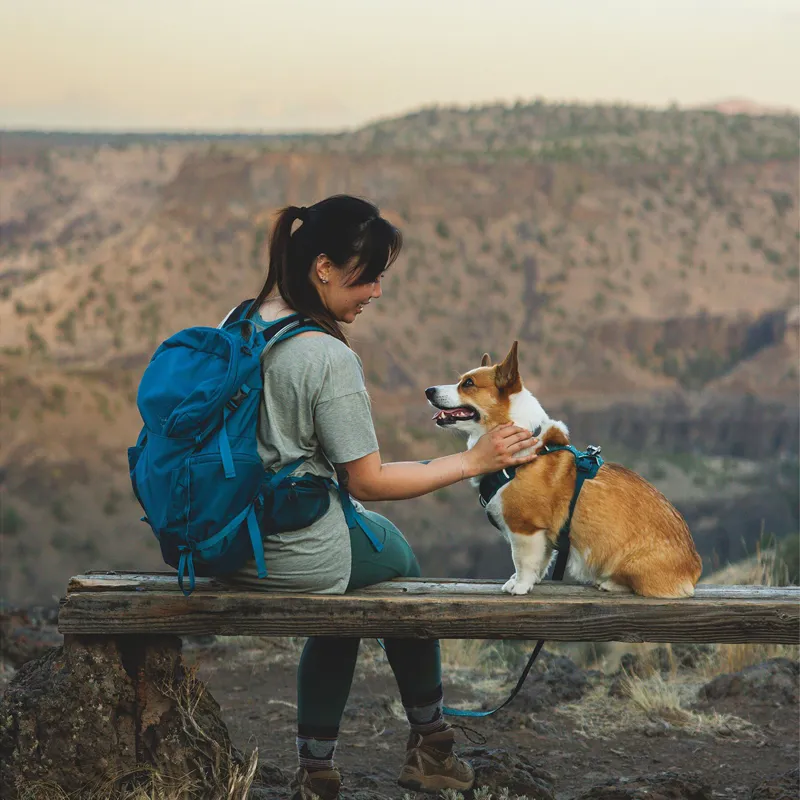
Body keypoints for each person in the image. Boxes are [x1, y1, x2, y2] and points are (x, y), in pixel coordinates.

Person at [224, 195, 538, 799]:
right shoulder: (325, 354)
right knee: (396, 566)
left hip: (219, 536)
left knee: (350, 583)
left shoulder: (239, 320)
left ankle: (319, 767)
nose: (375, 292)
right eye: (367, 277)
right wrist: (472, 460)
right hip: (283, 549)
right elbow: (366, 482)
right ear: (323, 268)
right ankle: (432, 745)